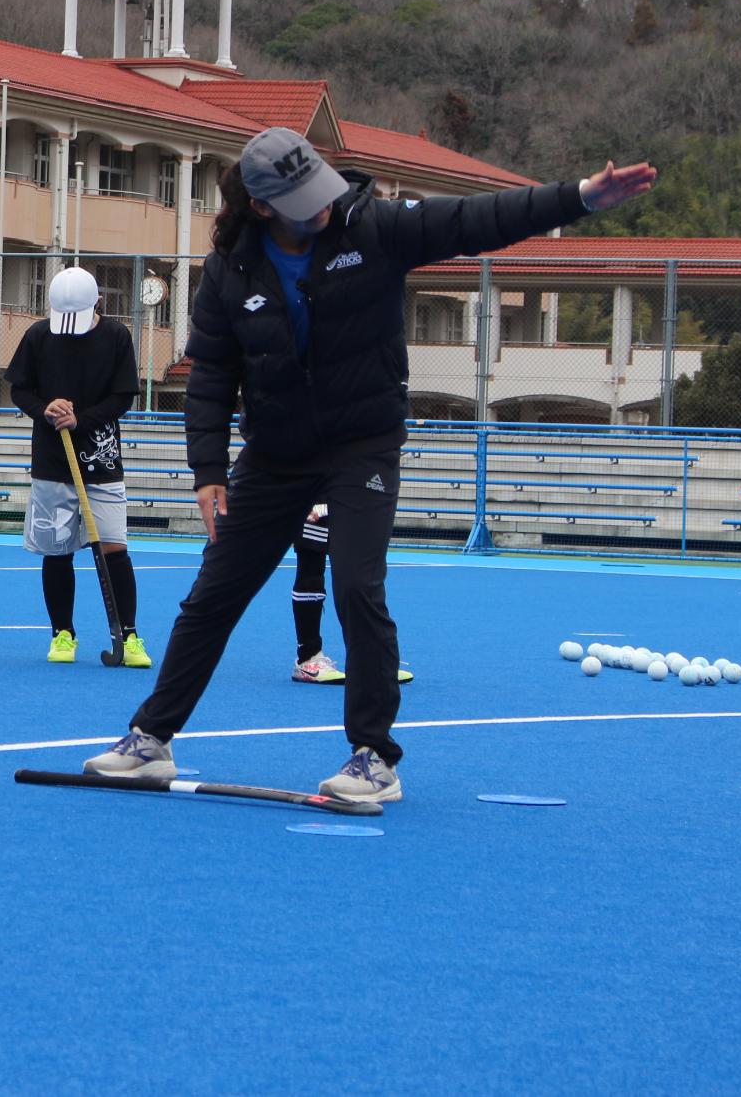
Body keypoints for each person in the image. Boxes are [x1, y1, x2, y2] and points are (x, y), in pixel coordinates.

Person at [84, 128, 657, 802]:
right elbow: (212, 373)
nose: (322, 205)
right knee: (214, 595)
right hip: (274, 454)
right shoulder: (231, 272)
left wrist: (580, 198)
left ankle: (373, 757)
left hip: (362, 443)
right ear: (263, 207)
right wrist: (209, 468)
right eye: (302, 198)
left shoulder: (375, 228)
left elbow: (480, 218)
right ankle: (152, 739)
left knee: (357, 586)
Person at [3, 266, 147, 668]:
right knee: (58, 550)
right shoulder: (37, 336)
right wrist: (44, 409)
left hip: (101, 460)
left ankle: (130, 635)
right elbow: (20, 389)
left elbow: (123, 397)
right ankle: (62, 632)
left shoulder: (117, 337)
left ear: (97, 303)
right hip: (52, 462)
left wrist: (80, 420)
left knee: (115, 547)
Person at [289, 503, 414, 685]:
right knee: (310, 573)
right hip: (313, 494)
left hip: (350, 502)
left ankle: (370, 662)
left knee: (359, 576)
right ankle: (308, 658)